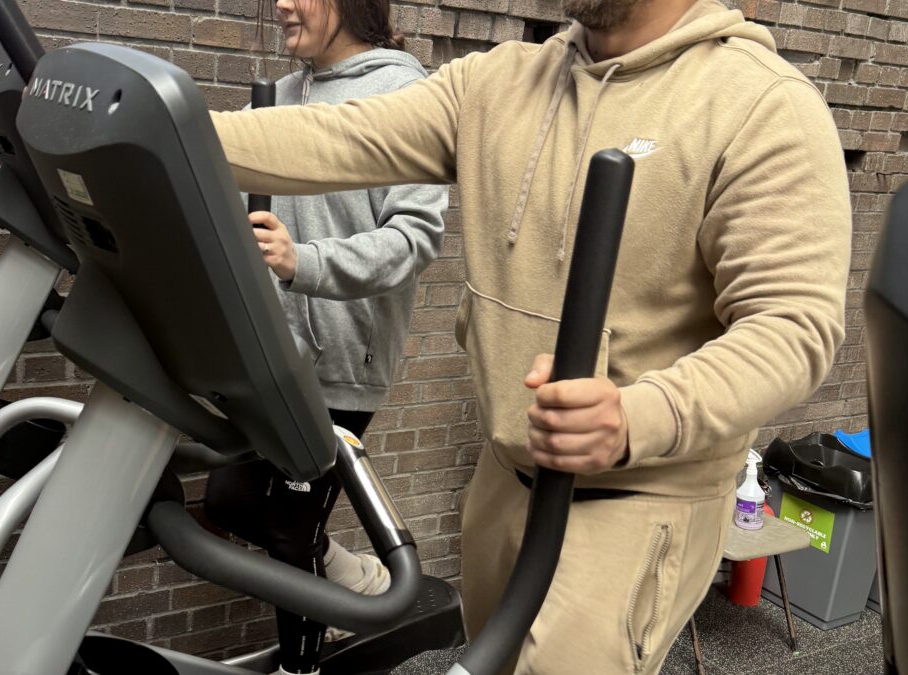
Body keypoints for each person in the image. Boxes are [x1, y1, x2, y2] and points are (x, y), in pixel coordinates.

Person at [208, 0, 852, 671]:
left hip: (637, 493)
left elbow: (791, 324)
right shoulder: (498, 82)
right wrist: (157, 130)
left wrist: (640, 415)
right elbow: (336, 137)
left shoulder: (761, 103)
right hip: (506, 473)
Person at [200, 1, 448, 673]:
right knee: (229, 502)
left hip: (340, 360)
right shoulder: (281, 96)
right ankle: (351, 578)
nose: (282, 2)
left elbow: (415, 238)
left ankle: (301, 666)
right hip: (265, 353)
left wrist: (301, 261)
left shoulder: (405, 96)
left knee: (288, 530)